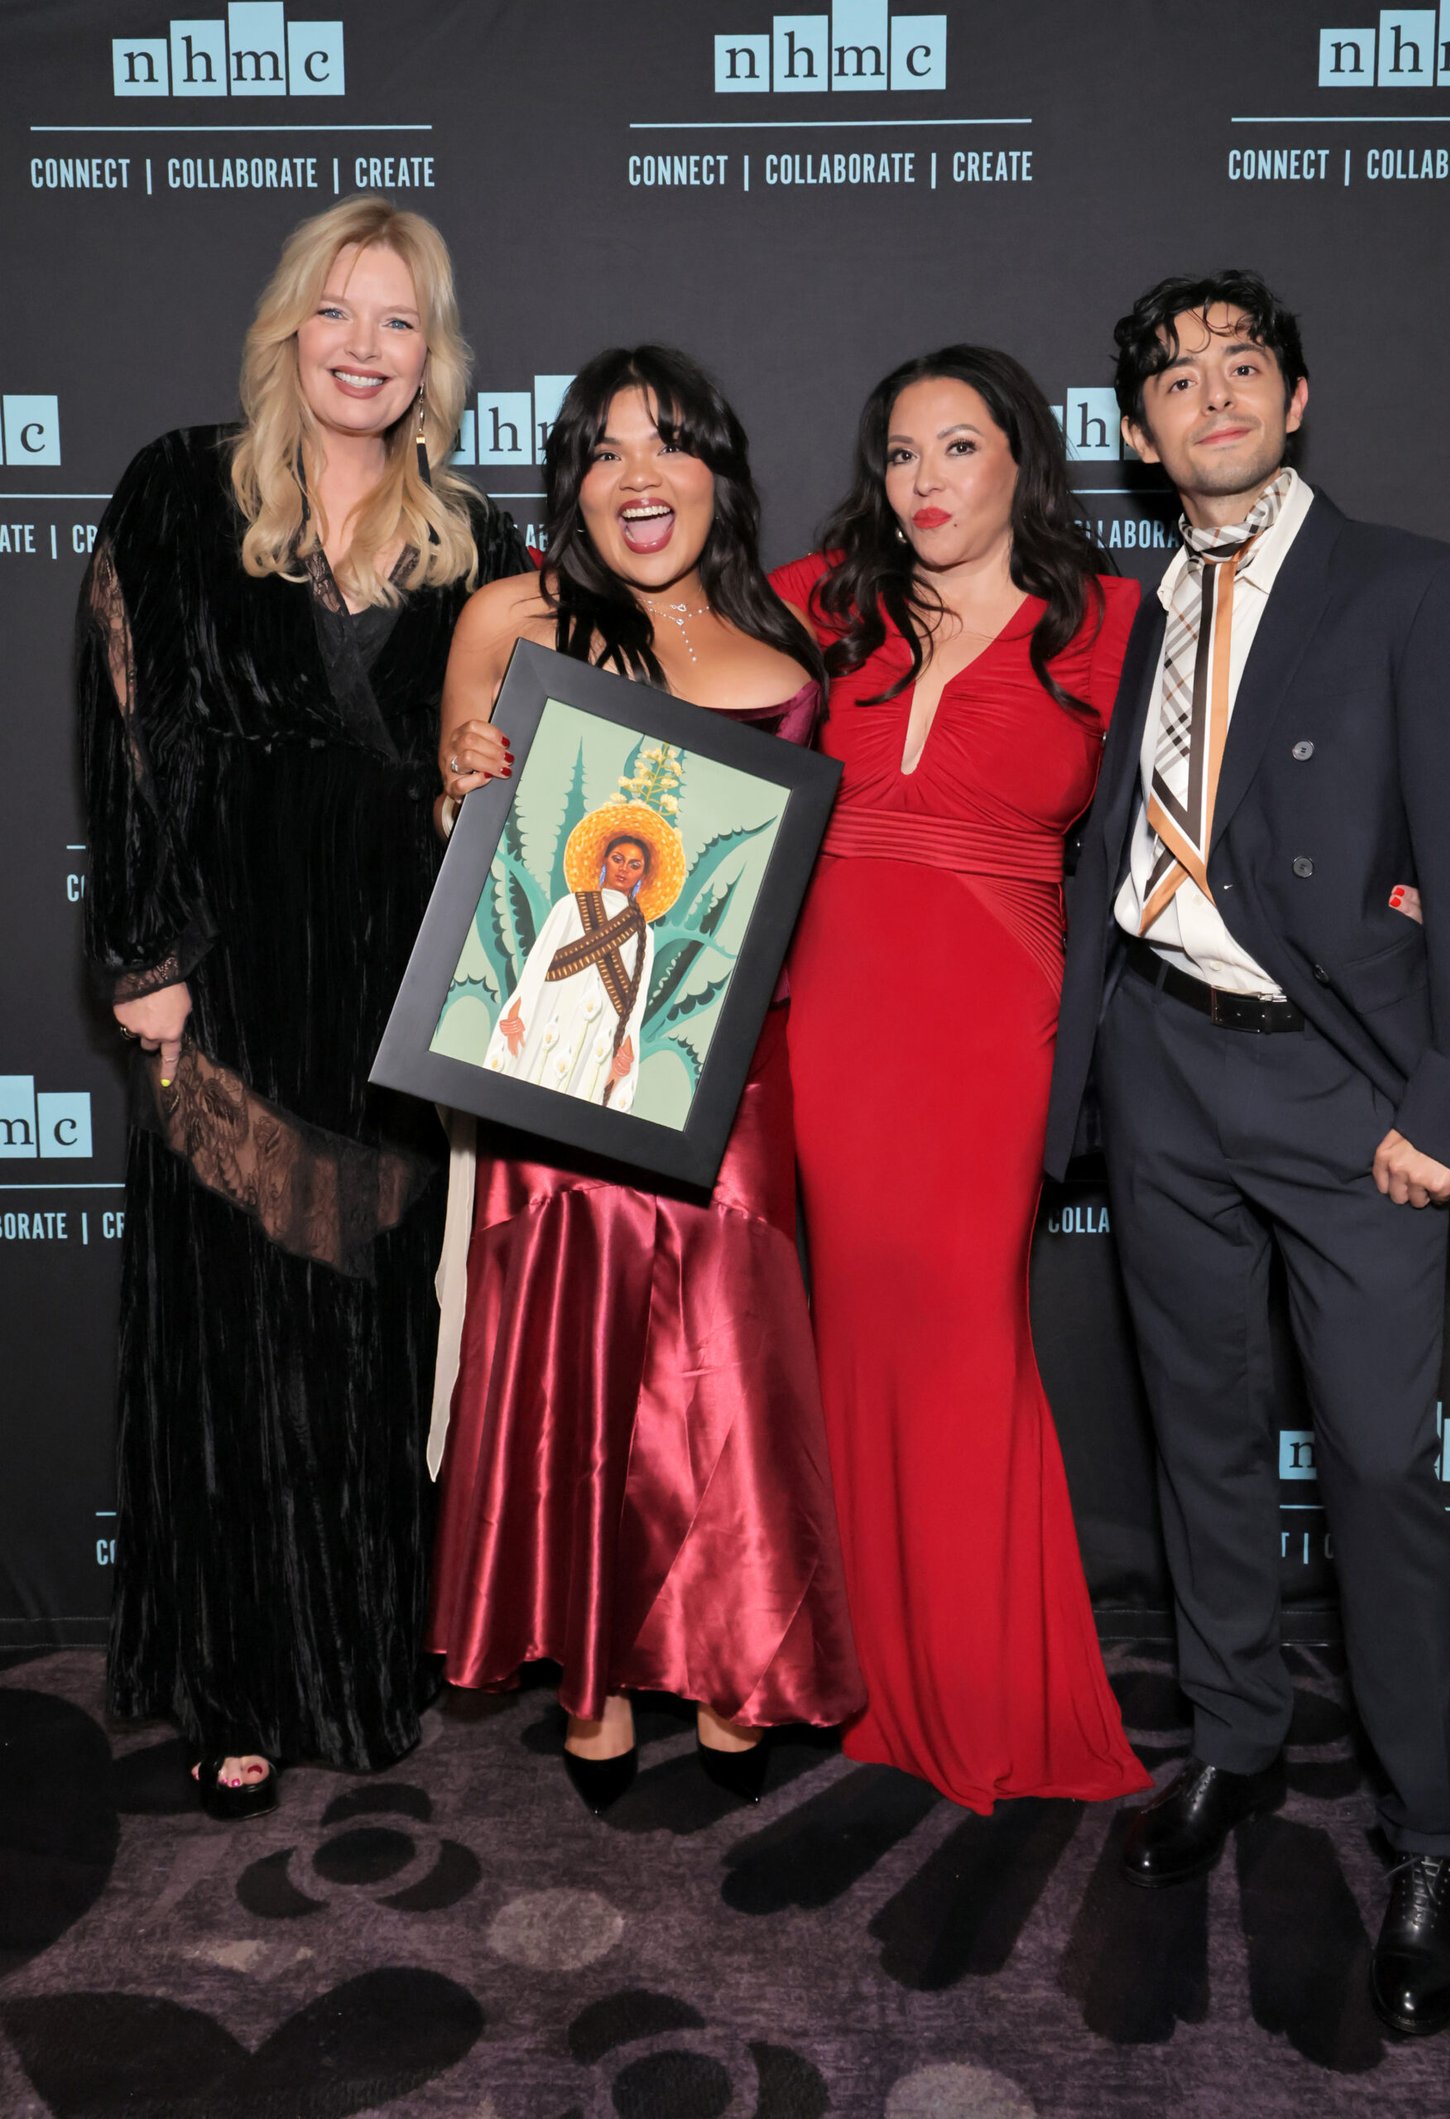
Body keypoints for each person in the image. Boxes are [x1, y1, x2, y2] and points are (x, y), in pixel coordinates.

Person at [1043, 270, 1450, 2035]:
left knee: (1386, 1470)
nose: (1214, 394)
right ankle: (1236, 1739)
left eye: (1243, 365)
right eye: (1176, 380)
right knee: (1200, 1436)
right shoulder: (1125, 609)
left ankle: (1437, 1832)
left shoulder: (1416, 588)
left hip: (1350, 1092)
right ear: (1136, 433)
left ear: (1300, 395)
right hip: (1164, 1059)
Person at [78, 196, 529, 1819]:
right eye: (339, 311)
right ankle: (236, 1678)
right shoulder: (180, 493)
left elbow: (516, 768)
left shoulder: (475, 537)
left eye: (399, 320)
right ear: (289, 327)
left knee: (370, 1329)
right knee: (229, 1330)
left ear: (434, 355)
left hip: (400, 977)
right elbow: (129, 727)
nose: (364, 345)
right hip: (230, 967)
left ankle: (362, 1652)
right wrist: (146, 955)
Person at [426, 346, 863, 1811]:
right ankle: (592, 1677)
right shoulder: (511, 616)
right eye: (606, 450)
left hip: (733, 1076)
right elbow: (454, 823)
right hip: (559, 1071)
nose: (638, 476)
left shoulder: (786, 639)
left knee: (725, 1369)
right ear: (575, 481)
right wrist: (463, 779)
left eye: (668, 445)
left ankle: (736, 1652)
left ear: (717, 472)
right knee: (577, 1365)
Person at [772, 347, 1149, 1815]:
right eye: (902, 455)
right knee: (852, 1338)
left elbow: (1232, 772)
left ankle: (992, 1685)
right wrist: (485, 721)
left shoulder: (1107, 621)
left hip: (998, 1023)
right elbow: (650, 625)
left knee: (965, 1335)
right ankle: (864, 1675)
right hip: (835, 1017)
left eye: (959, 449)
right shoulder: (826, 600)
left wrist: (1382, 879)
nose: (926, 483)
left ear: (1020, 462)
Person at [482, 829, 661, 1108]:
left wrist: (626, 1048)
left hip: (603, 1028)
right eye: (618, 858)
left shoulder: (645, 935)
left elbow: (635, 1004)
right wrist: (518, 1012)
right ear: (604, 860)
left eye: (634, 865)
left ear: (643, 876)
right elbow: (536, 966)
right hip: (551, 1008)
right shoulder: (569, 906)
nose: (624, 869)